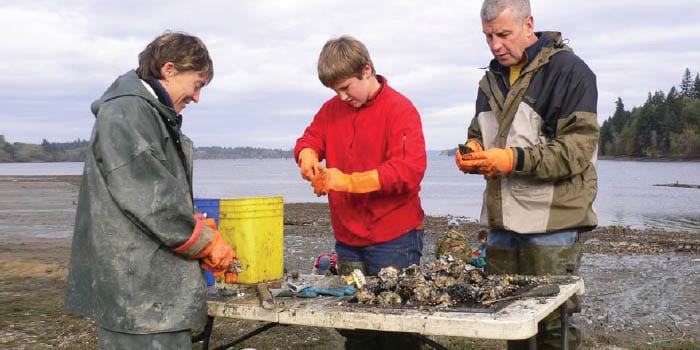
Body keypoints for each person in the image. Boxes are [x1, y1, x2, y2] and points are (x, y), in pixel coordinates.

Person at [64, 31, 236, 350]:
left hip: (149, 293)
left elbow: (153, 191)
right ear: (169, 70)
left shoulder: (145, 112)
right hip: (139, 295)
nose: (197, 97)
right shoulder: (127, 113)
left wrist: (195, 224)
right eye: (197, 85)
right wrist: (205, 241)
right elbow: (151, 198)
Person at [455, 1, 598, 349]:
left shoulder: (570, 72)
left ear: (528, 24)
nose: (495, 45)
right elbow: (480, 131)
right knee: (511, 323)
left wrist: (510, 160)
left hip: (551, 227)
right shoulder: (490, 79)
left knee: (553, 327)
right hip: (502, 225)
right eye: (488, 36)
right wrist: (473, 151)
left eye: (503, 34)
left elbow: (576, 152)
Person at [294, 35, 427, 350]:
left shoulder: (400, 109)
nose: (340, 97)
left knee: (397, 328)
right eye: (334, 90)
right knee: (355, 326)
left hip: (395, 239)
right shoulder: (331, 110)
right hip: (349, 242)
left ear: (367, 70)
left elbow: (408, 171)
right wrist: (307, 156)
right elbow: (309, 138)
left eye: (345, 87)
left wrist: (347, 182)